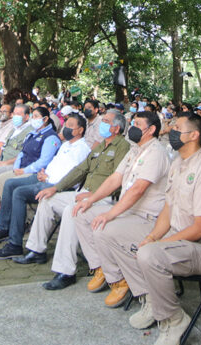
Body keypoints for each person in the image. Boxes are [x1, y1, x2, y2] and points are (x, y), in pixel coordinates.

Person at [101, 113, 201, 345]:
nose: (171, 131)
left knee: (149, 253)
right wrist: (152, 236)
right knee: (111, 232)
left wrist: (158, 244)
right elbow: (167, 211)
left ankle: (173, 318)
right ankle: (150, 298)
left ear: (194, 135)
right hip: (178, 239)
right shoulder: (177, 163)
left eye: (177, 128)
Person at [70, 111, 169, 307]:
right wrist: (91, 200)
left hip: (147, 217)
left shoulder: (156, 152)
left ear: (151, 130)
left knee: (102, 227)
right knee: (81, 213)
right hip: (127, 211)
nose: (132, 127)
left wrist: (110, 214)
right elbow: (115, 178)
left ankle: (119, 280)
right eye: (132, 122)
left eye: (138, 124)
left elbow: (138, 190)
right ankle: (101, 267)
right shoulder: (134, 149)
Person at [24, 111, 131, 289]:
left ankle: (66, 271)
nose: (101, 124)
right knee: (48, 200)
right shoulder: (100, 146)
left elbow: (117, 179)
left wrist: (93, 194)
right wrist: (56, 187)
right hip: (84, 194)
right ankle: (37, 250)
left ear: (116, 128)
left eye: (105, 121)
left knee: (71, 210)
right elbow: (80, 169)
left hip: (102, 199)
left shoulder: (123, 147)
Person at [0, 113, 94, 259]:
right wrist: (43, 173)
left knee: (19, 193)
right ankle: (4, 227)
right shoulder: (66, 145)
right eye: (65, 125)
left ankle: (14, 245)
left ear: (80, 130)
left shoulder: (82, 149)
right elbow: (55, 164)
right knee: (10, 183)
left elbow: (72, 176)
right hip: (44, 178)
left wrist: (48, 177)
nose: (65, 129)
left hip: (56, 185)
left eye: (70, 126)